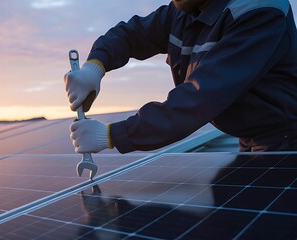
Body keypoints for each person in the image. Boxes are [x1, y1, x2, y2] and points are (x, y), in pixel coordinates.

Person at [64, 0, 297, 153]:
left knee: (266, 223)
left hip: (284, 139)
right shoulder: (185, 9)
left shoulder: (259, 10)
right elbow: (131, 35)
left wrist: (112, 135)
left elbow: (199, 99)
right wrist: (94, 67)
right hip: (248, 136)